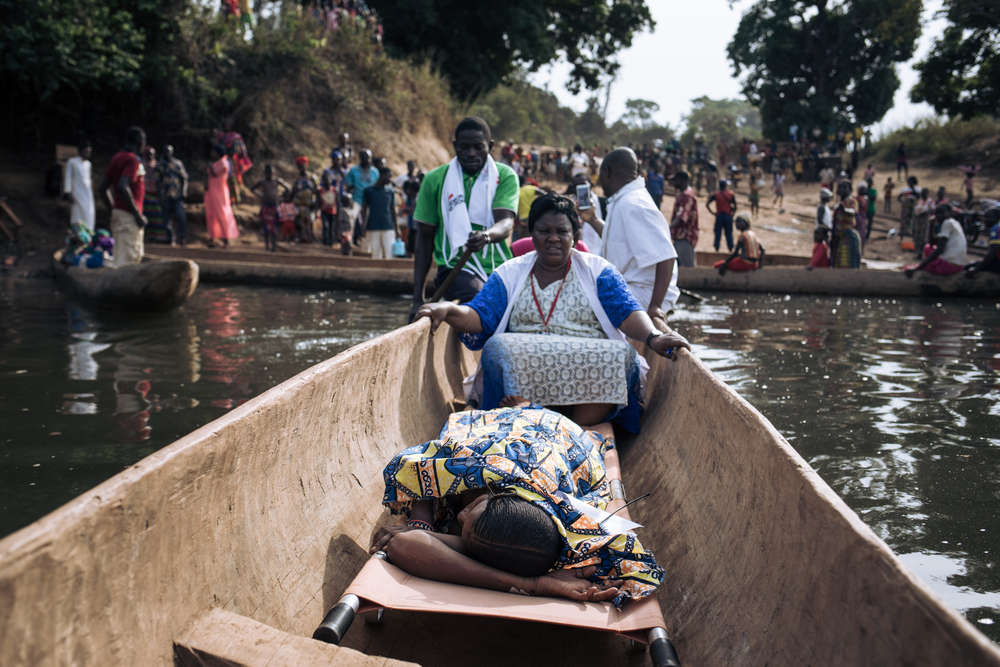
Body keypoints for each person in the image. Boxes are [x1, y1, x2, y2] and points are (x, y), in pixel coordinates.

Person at [415, 193, 688, 431]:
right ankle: (526, 415)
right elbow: (479, 316)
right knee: (497, 348)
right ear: (531, 234)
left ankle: (574, 427)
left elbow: (627, 313)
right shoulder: (510, 272)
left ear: (575, 236)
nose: (553, 238)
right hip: (525, 371)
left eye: (562, 231)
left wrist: (652, 337)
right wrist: (449, 308)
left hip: (586, 371)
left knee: (625, 356)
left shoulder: (598, 270)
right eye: (544, 231)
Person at [370, 403, 663, 607]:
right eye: (474, 509)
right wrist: (422, 522)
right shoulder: (474, 465)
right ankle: (527, 405)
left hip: (555, 446)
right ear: (497, 496)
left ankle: (528, 406)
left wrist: (531, 583)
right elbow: (413, 464)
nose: (461, 512)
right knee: (497, 425)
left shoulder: (569, 543)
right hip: (530, 435)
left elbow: (404, 546)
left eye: (465, 526)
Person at [411, 117, 518, 316]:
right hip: (453, 269)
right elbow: (424, 238)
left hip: (498, 267)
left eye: (478, 147)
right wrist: (418, 298)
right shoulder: (435, 179)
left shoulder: (505, 176)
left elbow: (506, 222)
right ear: (454, 146)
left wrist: (486, 236)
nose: (471, 153)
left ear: (490, 146)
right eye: (464, 147)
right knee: (481, 297)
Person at [584, 148, 680, 326]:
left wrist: (655, 306)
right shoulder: (623, 200)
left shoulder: (634, 203)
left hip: (641, 293)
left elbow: (666, 257)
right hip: (628, 289)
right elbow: (617, 240)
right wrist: (592, 219)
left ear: (607, 172)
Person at [98, 126, 147, 267]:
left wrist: (113, 209)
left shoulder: (117, 157)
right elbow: (122, 186)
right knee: (128, 261)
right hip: (129, 216)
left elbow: (102, 189)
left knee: (119, 258)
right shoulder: (132, 160)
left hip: (119, 214)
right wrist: (137, 214)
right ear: (140, 141)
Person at [905, 203, 967, 277]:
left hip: (949, 266)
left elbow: (939, 249)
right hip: (958, 266)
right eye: (936, 213)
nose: (938, 215)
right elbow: (932, 244)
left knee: (908, 268)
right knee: (928, 248)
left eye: (941, 213)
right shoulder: (954, 223)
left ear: (950, 214)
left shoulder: (947, 223)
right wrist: (931, 225)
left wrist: (918, 267)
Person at [204, 144, 240, 248]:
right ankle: (211, 239)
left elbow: (214, 173)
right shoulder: (216, 163)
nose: (212, 153)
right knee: (210, 214)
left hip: (220, 193)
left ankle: (226, 240)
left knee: (222, 214)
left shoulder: (224, 163)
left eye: (214, 151)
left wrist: (210, 165)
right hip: (211, 193)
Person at [155, 145, 189, 246]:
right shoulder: (159, 165)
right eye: (166, 151)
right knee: (166, 219)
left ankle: (182, 238)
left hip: (177, 196)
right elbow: (157, 182)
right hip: (165, 196)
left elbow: (185, 178)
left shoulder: (178, 163)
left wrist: (184, 191)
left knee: (181, 216)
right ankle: (170, 238)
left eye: (170, 151)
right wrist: (159, 197)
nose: (168, 153)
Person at [360, 166, 397, 259]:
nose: (391, 179)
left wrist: (397, 227)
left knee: (389, 252)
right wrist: (363, 225)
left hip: (388, 226)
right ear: (382, 175)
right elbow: (364, 208)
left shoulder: (390, 191)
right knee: (376, 253)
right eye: (389, 176)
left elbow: (393, 209)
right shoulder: (369, 190)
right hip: (373, 226)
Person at [251, 165, 289, 252]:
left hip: (274, 207)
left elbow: (287, 188)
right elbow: (252, 189)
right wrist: (261, 195)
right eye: (268, 172)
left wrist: (280, 196)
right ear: (265, 173)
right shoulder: (263, 182)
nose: (269, 174)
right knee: (266, 227)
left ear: (274, 173)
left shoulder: (277, 181)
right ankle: (267, 246)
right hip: (265, 206)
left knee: (274, 227)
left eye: (271, 172)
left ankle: (274, 246)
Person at [63, 140, 95, 232]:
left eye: (90, 152)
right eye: (86, 151)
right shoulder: (72, 162)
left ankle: (88, 237)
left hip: (88, 194)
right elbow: (68, 177)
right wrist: (68, 192)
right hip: (77, 194)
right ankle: (77, 237)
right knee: (78, 216)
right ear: (81, 151)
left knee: (89, 214)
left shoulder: (88, 164)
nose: (88, 153)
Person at [219, 118, 252, 204]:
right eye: (225, 124)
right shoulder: (220, 136)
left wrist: (224, 153)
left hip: (231, 161)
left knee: (231, 180)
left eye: (228, 124)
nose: (226, 125)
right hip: (220, 161)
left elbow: (236, 150)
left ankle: (233, 200)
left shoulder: (235, 137)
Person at [669, 171, 698, 268]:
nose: (674, 183)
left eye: (675, 180)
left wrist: (668, 228)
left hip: (684, 235)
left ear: (682, 180)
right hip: (680, 235)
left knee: (687, 267)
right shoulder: (685, 194)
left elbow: (682, 217)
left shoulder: (686, 196)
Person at [831, 181, 862, 269]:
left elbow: (853, 212)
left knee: (848, 262)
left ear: (850, 190)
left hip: (848, 236)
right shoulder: (839, 204)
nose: (841, 189)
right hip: (839, 237)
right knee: (839, 262)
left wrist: (844, 209)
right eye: (839, 187)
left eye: (844, 187)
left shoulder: (851, 201)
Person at [965, 209, 1000, 275]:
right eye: (984, 217)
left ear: (997, 218)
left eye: (988, 217)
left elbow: (992, 252)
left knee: (968, 267)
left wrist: (976, 270)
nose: (984, 219)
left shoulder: (996, 228)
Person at [140, 148, 164, 241]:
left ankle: (161, 237)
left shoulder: (157, 165)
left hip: (156, 194)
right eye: (149, 154)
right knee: (147, 216)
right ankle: (150, 237)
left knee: (158, 216)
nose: (151, 156)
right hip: (145, 193)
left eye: (153, 154)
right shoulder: (141, 164)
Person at [291, 156, 317, 243]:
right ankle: (299, 240)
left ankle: (310, 240)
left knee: (309, 223)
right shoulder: (296, 179)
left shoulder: (313, 177)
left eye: (304, 165)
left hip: (309, 205)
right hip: (298, 205)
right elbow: (293, 192)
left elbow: (317, 190)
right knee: (299, 223)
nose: (302, 167)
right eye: (300, 166)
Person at [706, 179, 737, 252]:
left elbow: (707, 204)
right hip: (728, 216)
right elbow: (735, 206)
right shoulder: (731, 194)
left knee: (718, 232)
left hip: (719, 215)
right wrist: (732, 215)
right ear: (725, 185)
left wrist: (713, 213)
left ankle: (717, 248)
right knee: (729, 232)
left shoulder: (716, 194)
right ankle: (730, 248)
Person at [318, 173, 339, 247]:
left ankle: (331, 242)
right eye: (325, 180)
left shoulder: (334, 190)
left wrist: (338, 212)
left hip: (333, 212)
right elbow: (318, 202)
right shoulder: (320, 191)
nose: (327, 181)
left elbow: (337, 202)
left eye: (328, 180)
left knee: (331, 228)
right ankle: (325, 242)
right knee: (326, 226)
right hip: (324, 211)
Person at [912, 188, 933, 257]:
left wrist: (925, 212)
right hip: (918, 221)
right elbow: (916, 210)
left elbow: (932, 210)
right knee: (917, 236)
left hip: (925, 221)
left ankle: (923, 253)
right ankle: (918, 252)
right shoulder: (919, 201)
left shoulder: (930, 201)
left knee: (923, 237)